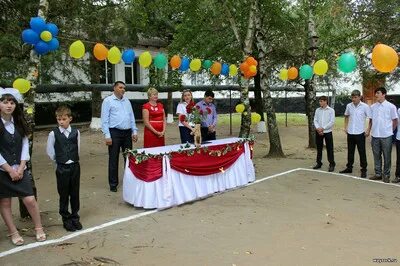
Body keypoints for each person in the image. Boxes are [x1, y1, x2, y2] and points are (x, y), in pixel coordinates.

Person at [0, 88, 46, 245]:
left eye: (12, 102)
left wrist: (20, 167)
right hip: (2, 170)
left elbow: (26, 144)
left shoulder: (19, 121)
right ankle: (13, 232)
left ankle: (38, 228)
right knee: (5, 202)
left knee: (30, 199)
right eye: (5, 102)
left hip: (20, 169)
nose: (9, 105)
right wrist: (8, 169)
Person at [46, 106, 82, 232]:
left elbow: (77, 146)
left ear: (70, 119)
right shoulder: (53, 133)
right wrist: (59, 160)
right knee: (63, 193)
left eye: (64, 119)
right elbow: (50, 151)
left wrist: (73, 159)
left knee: (75, 192)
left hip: (75, 165)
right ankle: (66, 218)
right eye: (59, 119)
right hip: (62, 167)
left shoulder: (76, 132)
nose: (61, 121)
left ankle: (75, 217)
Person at [101, 81, 138, 192]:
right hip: (114, 133)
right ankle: (113, 184)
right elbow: (104, 120)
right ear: (114, 88)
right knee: (113, 158)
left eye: (124, 88)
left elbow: (131, 117)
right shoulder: (108, 101)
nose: (123, 90)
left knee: (128, 158)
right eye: (120, 87)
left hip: (127, 133)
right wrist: (107, 135)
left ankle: (129, 180)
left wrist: (134, 131)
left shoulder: (127, 101)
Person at [339, 90, 371, 178]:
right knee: (350, 151)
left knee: (362, 152)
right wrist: (345, 127)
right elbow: (346, 116)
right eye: (352, 97)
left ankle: (363, 169)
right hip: (350, 132)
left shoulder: (365, 106)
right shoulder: (349, 106)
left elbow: (370, 119)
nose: (353, 99)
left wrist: (368, 130)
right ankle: (349, 167)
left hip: (360, 133)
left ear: (360, 97)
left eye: (355, 97)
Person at [369, 87, 398, 183]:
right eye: (376, 93)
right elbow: (371, 120)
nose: (376, 95)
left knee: (387, 156)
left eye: (378, 93)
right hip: (375, 135)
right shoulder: (373, 107)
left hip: (386, 135)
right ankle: (378, 173)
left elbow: (395, 121)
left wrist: (390, 131)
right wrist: (369, 130)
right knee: (376, 155)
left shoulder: (391, 107)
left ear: (384, 94)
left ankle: (386, 175)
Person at [313, 96, 336, 172]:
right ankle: (319, 163)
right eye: (319, 101)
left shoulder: (331, 110)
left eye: (322, 101)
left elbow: (332, 121)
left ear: (326, 101)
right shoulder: (317, 110)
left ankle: (332, 164)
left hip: (327, 132)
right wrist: (318, 128)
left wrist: (323, 128)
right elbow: (315, 120)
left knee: (329, 148)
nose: (320, 103)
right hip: (319, 132)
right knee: (319, 148)